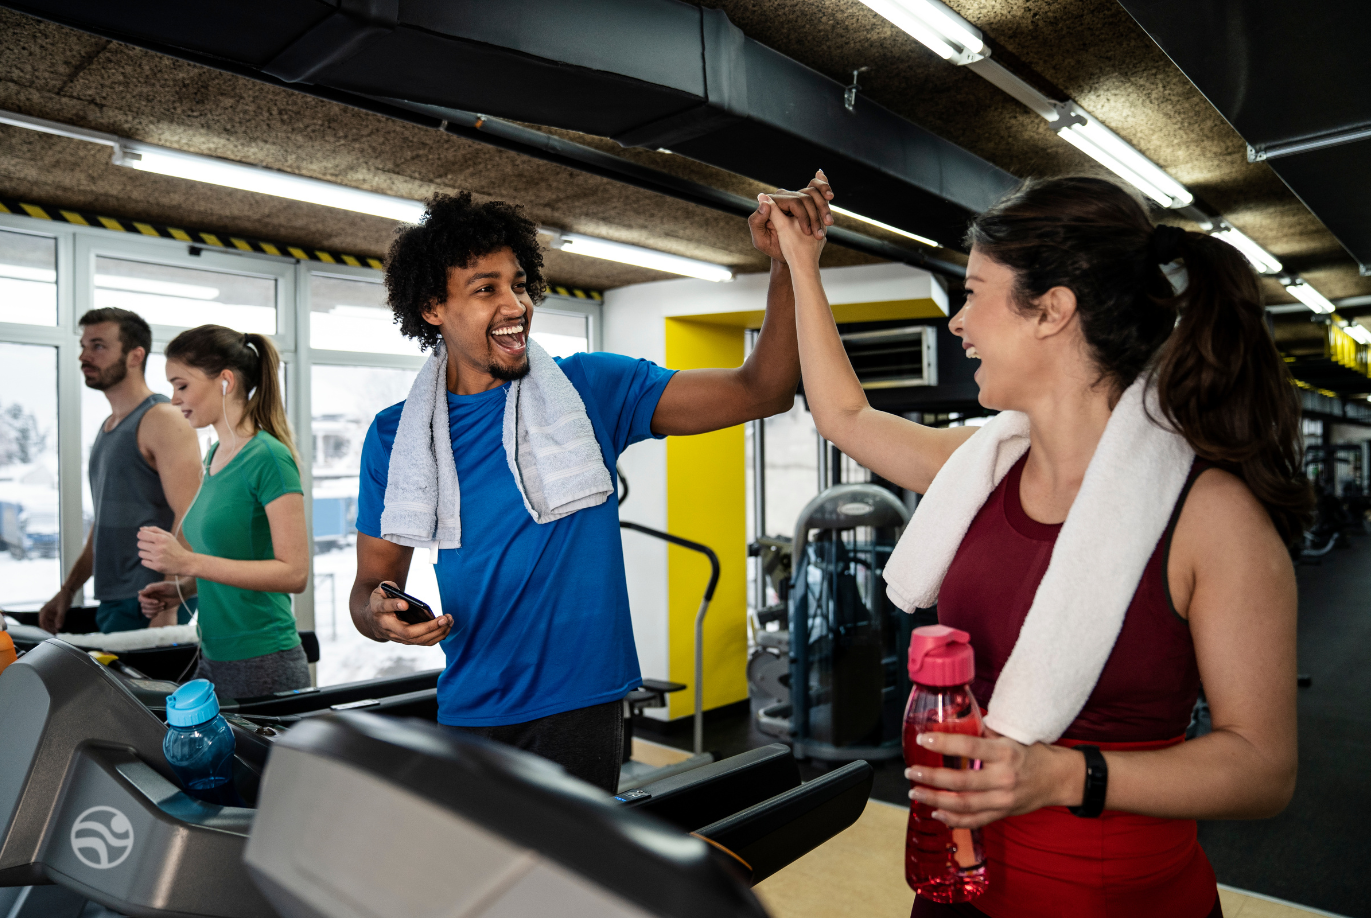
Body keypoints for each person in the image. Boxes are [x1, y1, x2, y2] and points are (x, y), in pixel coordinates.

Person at [766, 174, 1305, 918]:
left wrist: (1060, 776)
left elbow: (1261, 769)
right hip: (958, 881)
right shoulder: (980, 468)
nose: (959, 324)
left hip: (1116, 902)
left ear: (1051, 311)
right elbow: (845, 415)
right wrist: (800, 260)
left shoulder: (1209, 517)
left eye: (974, 293)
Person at [350, 182, 834, 792]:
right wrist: (380, 612)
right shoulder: (397, 436)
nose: (515, 304)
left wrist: (786, 265)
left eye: (520, 284)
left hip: (580, 705)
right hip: (470, 705)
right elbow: (370, 586)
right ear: (431, 308)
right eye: (486, 288)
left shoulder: (589, 391)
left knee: (573, 886)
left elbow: (761, 390)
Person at [135, 326, 311, 698]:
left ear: (225, 381)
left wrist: (189, 563)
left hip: (264, 660)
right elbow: (232, 559)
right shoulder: (214, 456)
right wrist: (182, 587)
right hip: (213, 656)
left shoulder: (268, 457)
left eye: (181, 385)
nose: (174, 397)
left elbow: (294, 573)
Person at [39, 308, 202, 635]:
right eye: (83, 346)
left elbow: (190, 513)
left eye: (98, 346)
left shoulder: (162, 419)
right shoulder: (109, 427)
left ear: (134, 355)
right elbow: (104, 522)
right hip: (115, 597)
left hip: (150, 599)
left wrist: (167, 605)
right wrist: (68, 590)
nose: (84, 355)